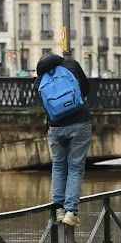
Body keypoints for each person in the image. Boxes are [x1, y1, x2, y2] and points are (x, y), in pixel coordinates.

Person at [36, 53, 91, 227]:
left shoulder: (39, 81)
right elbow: (86, 88)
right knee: (75, 167)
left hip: (56, 127)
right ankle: (71, 211)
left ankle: (59, 209)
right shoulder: (71, 65)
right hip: (80, 123)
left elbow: (44, 104)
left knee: (59, 165)